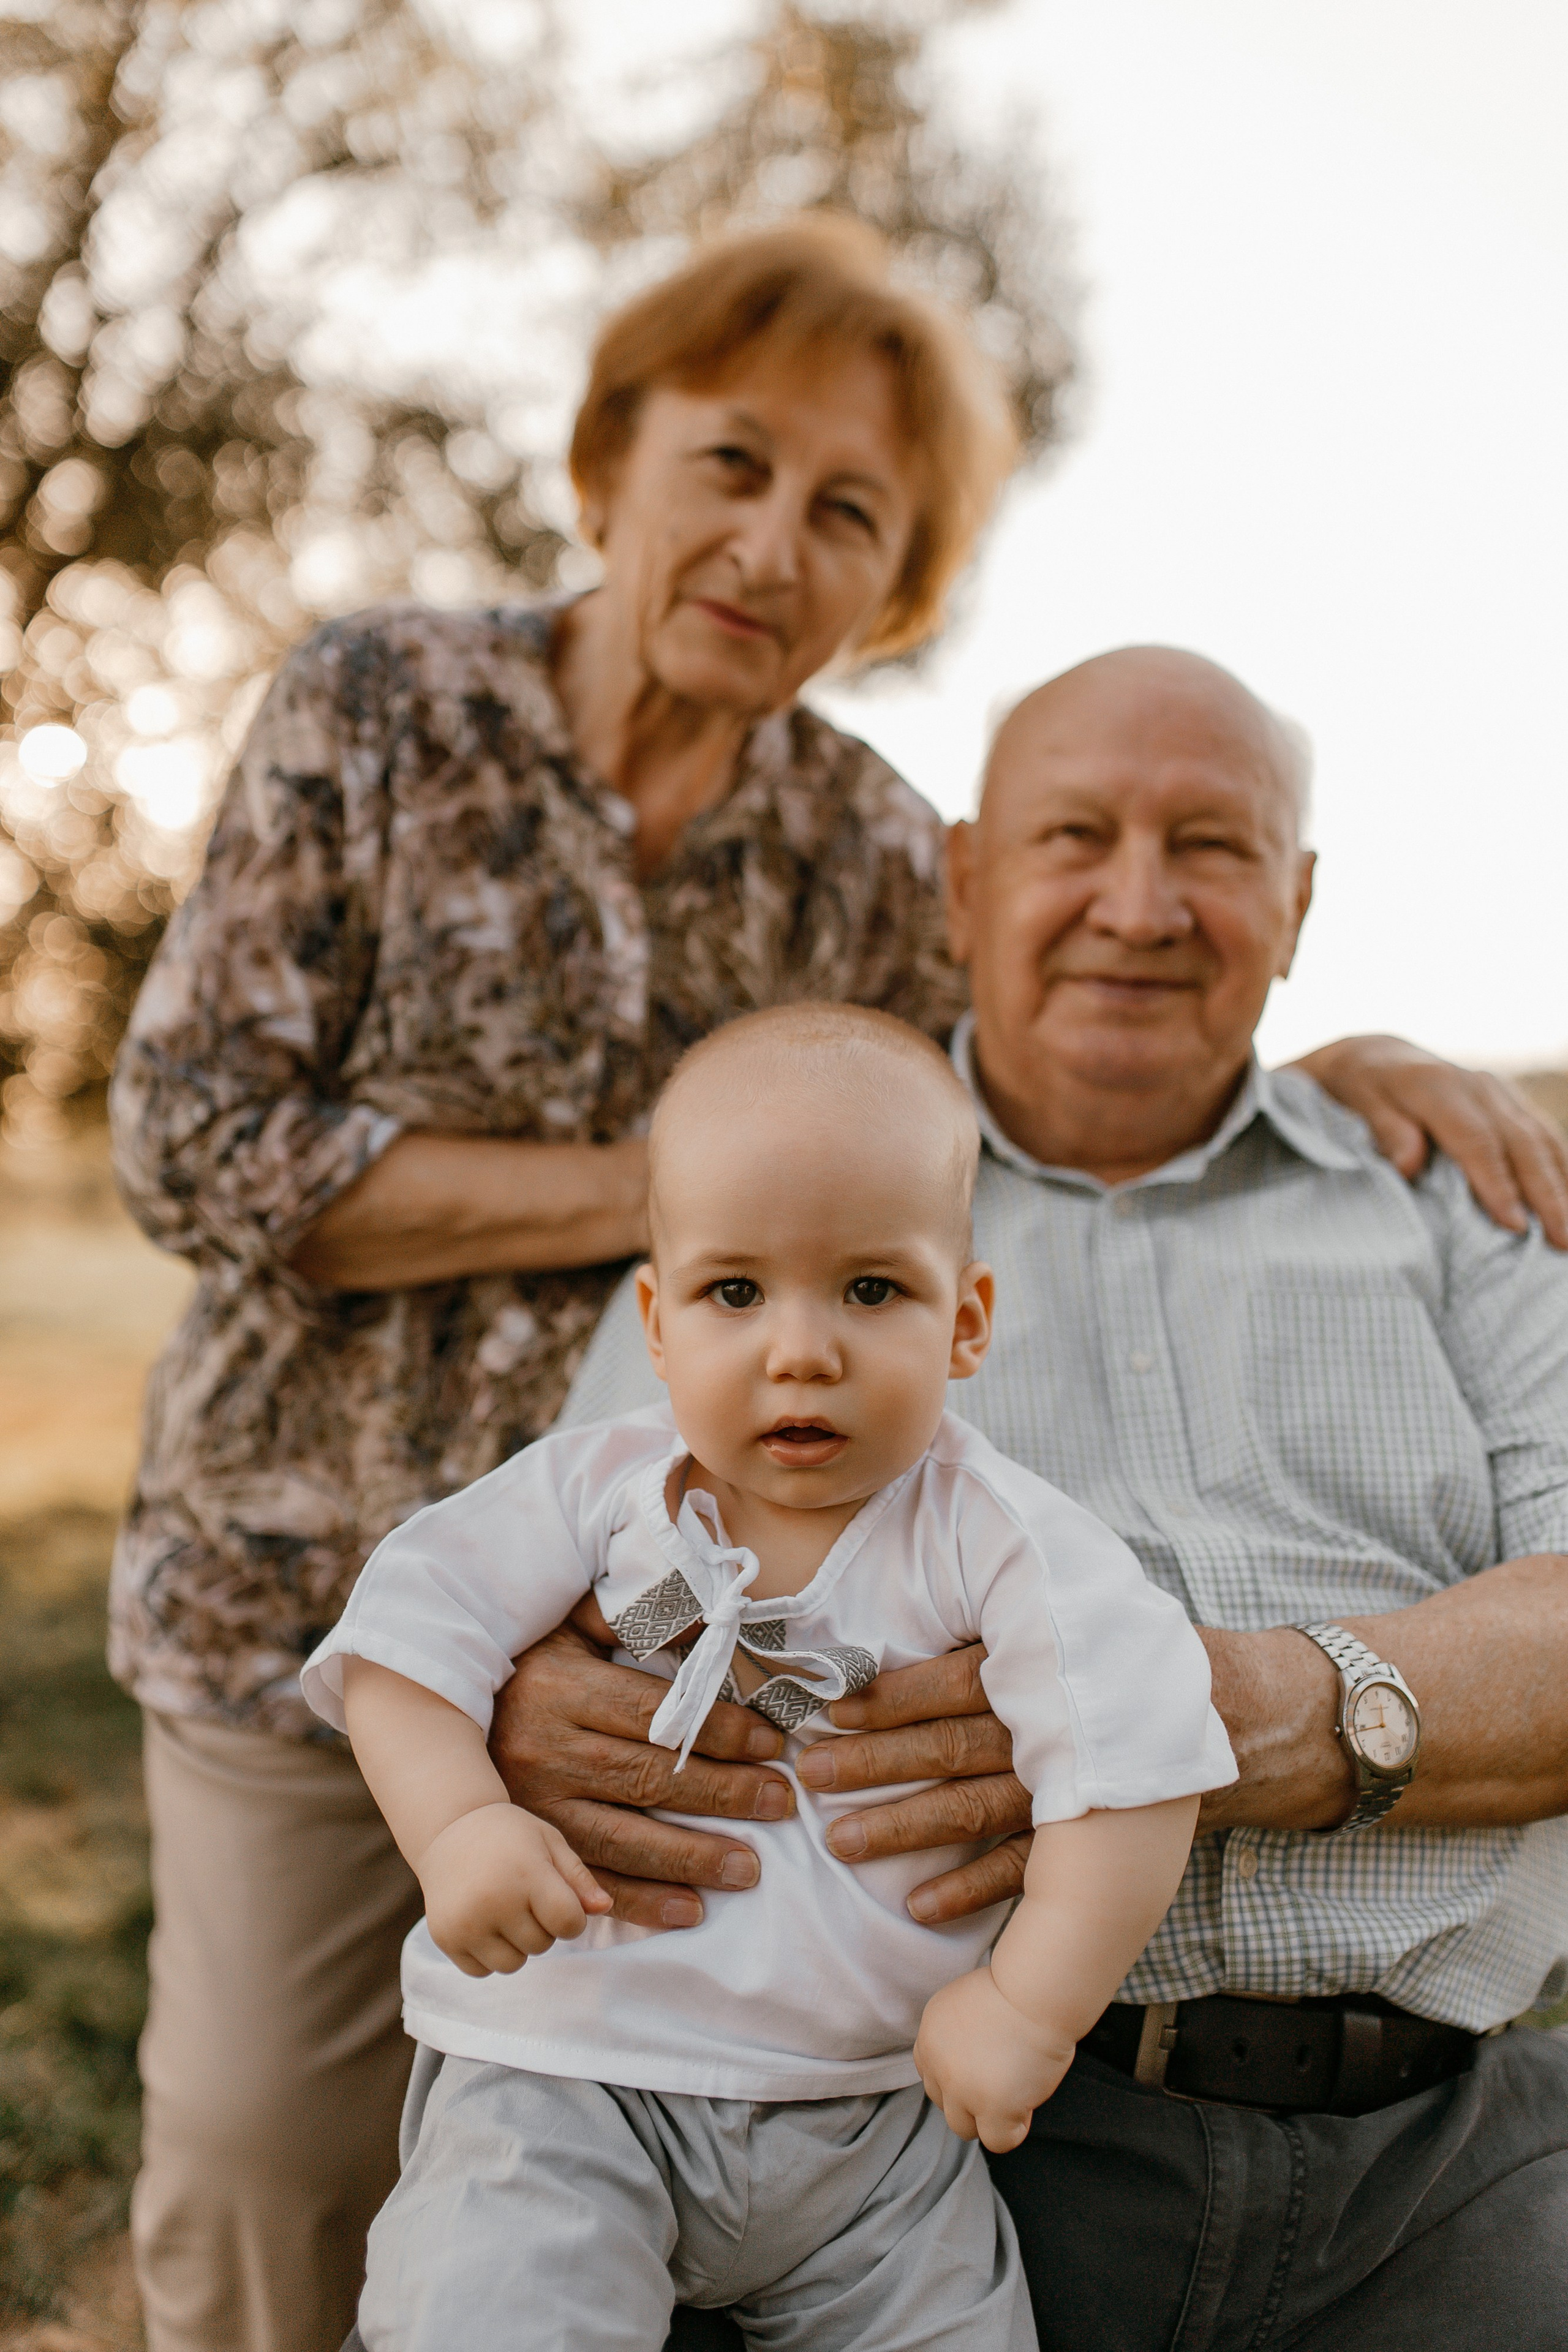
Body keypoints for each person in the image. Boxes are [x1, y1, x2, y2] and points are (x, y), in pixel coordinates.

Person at [107, 202, 1565, 2347]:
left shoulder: (874, 846)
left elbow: (1096, 1007)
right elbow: (195, 1141)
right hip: (326, 1565)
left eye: (851, 512)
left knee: (567, 2152)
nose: (774, 544)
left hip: (725, 1588)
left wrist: (1347, 1071)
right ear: (610, 463)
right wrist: (666, 1209)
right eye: (733, 463)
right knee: (277, 2163)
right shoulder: (387, 706)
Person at [544, 647, 1568, 2350]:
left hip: (1452, 2167)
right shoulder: (781, 1210)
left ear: (1299, 903)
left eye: (1212, 846)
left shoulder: (1469, 1202)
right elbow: (571, 1603)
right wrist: (538, 1700)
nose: (1138, 906)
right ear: (964, 882)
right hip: (900, 2153)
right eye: (1074, 835)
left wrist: (1230, 1714)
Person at [306, 1004, 1234, 2349]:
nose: (801, 1350)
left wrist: (1031, 2003)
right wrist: (458, 1825)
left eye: (871, 1290)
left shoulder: (995, 1541)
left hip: (870, 2134)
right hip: (564, 2079)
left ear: (966, 1319)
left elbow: (1138, 1757)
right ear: (658, 1322)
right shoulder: (601, 1492)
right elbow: (406, 1638)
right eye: (736, 1293)